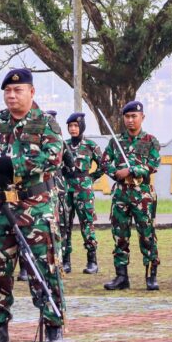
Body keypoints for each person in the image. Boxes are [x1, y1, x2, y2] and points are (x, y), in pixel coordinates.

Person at [0, 68, 65, 342]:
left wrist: (14, 167)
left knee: (43, 267)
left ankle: (53, 326)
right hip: (0, 207)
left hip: (36, 208)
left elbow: (54, 157)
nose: (12, 95)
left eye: (18, 90)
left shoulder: (45, 123)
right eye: (8, 91)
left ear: (31, 92)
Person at [102, 100, 162, 292]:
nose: (130, 120)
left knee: (147, 235)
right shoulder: (115, 142)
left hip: (142, 195)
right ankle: (121, 276)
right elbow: (104, 162)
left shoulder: (150, 141)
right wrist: (116, 172)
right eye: (127, 117)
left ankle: (151, 275)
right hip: (121, 194)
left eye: (134, 116)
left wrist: (131, 170)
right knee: (120, 235)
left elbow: (153, 164)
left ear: (142, 117)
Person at [62, 112, 104, 275]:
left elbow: (103, 165)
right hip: (66, 187)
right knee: (64, 225)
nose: (73, 129)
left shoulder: (90, 145)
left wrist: (91, 178)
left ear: (82, 127)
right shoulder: (63, 145)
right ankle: (65, 261)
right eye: (70, 126)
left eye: (76, 126)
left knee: (87, 223)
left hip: (84, 190)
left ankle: (92, 261)